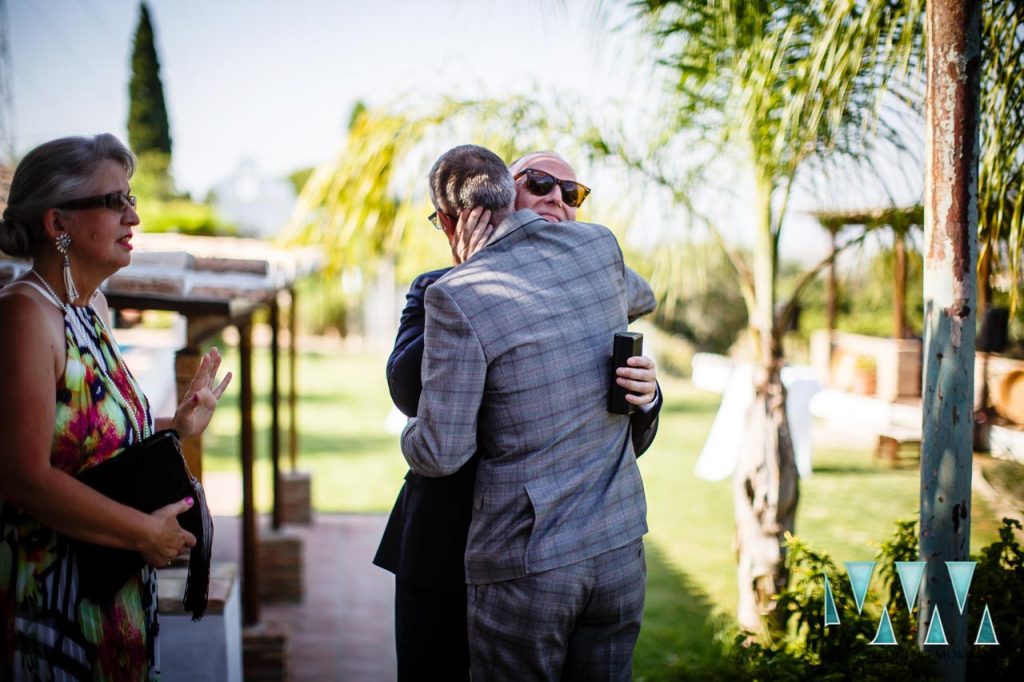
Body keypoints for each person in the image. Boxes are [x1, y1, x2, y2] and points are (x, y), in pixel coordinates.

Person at [374, 150, 661, 680]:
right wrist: (476, 272)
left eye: (573, 193)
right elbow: (405, 386)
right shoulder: (444, 288)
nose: (557, 198)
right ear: (503, 196)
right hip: (445, 551)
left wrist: (647, 393)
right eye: (541, 183)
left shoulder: (596, 260)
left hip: (537, 559)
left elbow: (641, 299)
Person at [0, 134, 231, 681]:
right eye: (115, 201)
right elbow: (22, 476)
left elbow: (91, 443)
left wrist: (177, 425)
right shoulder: (25, 316)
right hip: (52, 599)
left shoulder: (91, 306)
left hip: (112, 597)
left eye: (130, 198)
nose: (134, 215)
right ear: (58, 225)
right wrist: (142, 534)